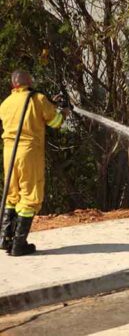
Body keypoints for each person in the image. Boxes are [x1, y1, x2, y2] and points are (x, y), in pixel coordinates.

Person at [0, 70, 70, 256]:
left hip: (9, 153)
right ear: (28, 81)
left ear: (13, 84)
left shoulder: (6, 103)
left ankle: (5, 239)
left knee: (12, 194)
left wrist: (50, 103)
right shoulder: (37, 99)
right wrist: (64, 111)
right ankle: (19, 245)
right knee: (30, 196)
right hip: (28, 153)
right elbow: (55, 122)